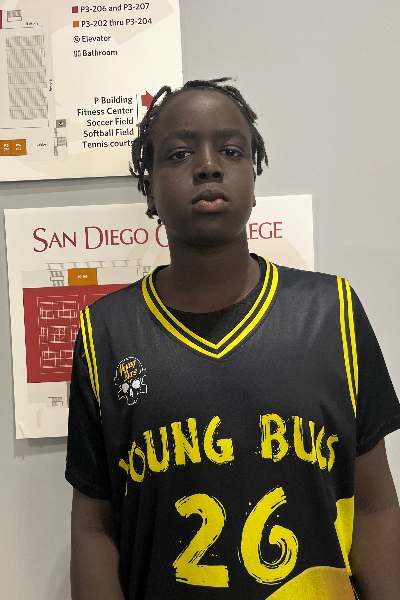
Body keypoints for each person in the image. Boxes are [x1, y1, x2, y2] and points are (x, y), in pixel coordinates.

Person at [66, 78, 400, 600]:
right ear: (149, 186)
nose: (207, 165)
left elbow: (375, 506)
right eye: (179, 153)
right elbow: (94, 527)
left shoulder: (332, 311)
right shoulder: (103, 333)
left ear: (253, 174)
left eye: (230, 150)